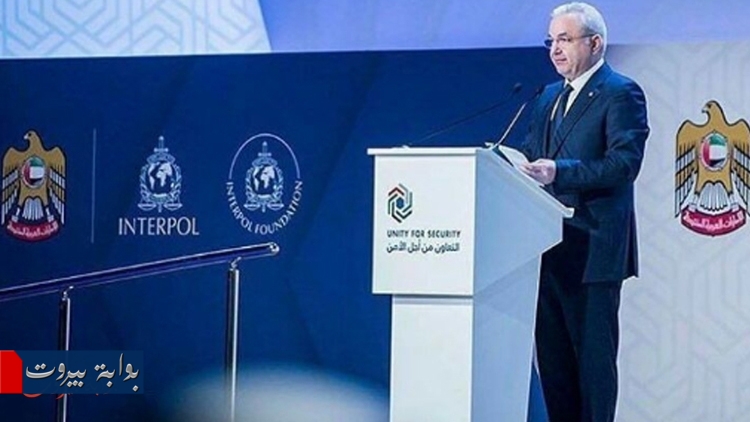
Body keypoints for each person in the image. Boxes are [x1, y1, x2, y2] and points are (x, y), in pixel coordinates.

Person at [518, 3, 649, 422]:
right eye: (551, 40)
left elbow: (623, 165)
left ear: (595, 43)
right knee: (554, 368)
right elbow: (532, 156)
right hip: (546, 249)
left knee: (592, 367)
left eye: (565, 39)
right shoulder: (547, 97)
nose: (555, 49)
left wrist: (559, 171)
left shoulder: (621, 92)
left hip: (594, 252)